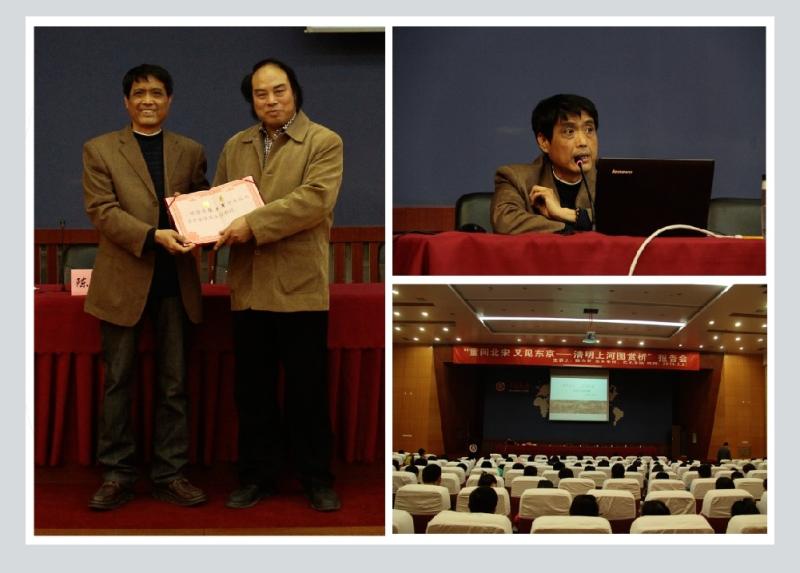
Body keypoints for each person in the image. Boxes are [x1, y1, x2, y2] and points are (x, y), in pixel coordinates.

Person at [213, 58, 344, 512]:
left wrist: (251, 224)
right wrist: (200, 226)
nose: (270, 100)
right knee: (253, 394)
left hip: (300, 288)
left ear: (295, 91)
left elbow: (314, 201)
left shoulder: (324, 141)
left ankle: (316, 479)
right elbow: (219, 201)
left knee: (307, 393)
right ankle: (257, 477)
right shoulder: (236, 145)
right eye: (260, 93)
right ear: (251, 99)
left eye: (279, 90)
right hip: (249, 287)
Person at [83, 64, 209, 510]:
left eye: (157, 92)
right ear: (126, 102)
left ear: (169, 100)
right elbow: (102, 210)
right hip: (123, 281)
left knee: (174, 385)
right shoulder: (99, 149)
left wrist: (211, 225)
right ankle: (116, 474)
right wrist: (153, 236)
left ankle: (170, 474)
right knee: (118, 382)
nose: (148, 100)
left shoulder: (190, 151)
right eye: (139, 93)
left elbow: (200, 205)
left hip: (176, 282)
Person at [492, 93, 598, 234]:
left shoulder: (612, 176)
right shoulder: (516, 179)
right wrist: (566, 228)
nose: (583, 142)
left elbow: (625, 217)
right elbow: (505, 221)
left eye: (589, 130)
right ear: (544, 142)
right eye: (569, 131)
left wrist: (563, 213)